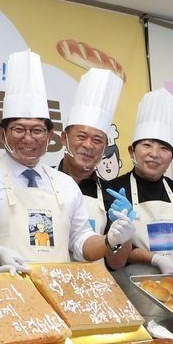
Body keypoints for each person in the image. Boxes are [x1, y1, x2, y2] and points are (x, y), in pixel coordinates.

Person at [0, 51, 131, 274]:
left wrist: (109, 240)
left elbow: (81, 242)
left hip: (58, 294)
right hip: (2, 295)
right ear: (2, 134)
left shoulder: (65, 184)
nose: (28, 139)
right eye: (18, 129)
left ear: (49, 137)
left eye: (37, 130)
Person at [103, 88, 173, 274]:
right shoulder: (112, 190)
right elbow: (110, 254)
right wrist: (154, 259)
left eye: (164, 148)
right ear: (131, 151)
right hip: (133, 295)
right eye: (147, 145)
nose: (155, 154)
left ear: (171, 157)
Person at [57, 67, 124, 233]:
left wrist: (122, 230)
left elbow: (118, 260)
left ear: (104, 147)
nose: (88, 145)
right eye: (81, 136)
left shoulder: (112, 196)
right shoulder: (42, 182)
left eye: (97, 140)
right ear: (64, 138)